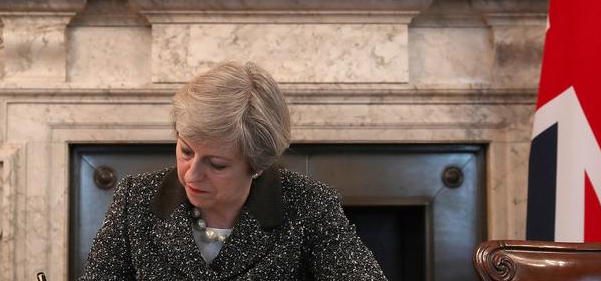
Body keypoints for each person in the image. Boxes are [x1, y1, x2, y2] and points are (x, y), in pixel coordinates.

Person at [79, 62, 387, 280]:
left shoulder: (308, 205)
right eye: (186, 151)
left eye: (217, 164)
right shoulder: (137, 199)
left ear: (256, 164)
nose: (191, 174)